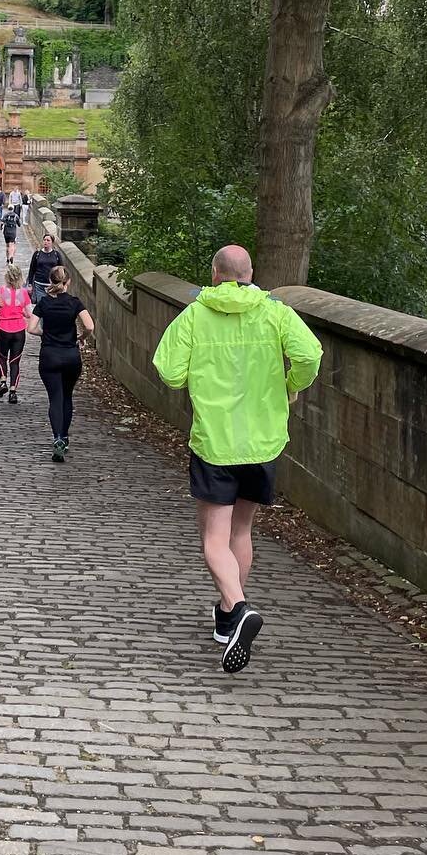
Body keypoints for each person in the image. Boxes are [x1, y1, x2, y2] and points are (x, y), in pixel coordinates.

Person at [152, 244, 323, 674]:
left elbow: (169, 371)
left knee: (214, 536)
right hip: (263, 440)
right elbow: (310, 355)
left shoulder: (195, 315)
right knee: (242, 531)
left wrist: (198, 379)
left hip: (215, 441)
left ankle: (239, 606)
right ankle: (229, 615)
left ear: (215, 274)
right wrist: (290, 385)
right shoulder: (275, 312)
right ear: (250, 273)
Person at [29, 264, 94, 464]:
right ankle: (64, 438)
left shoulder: (44, 302)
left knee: (55, 398)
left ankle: (57, 436)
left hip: (49, 355)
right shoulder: (74, 302)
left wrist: (45, 333)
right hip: (71, 356)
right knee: (67, 397)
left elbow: (31, 328)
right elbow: (90, 326)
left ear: (50, 281)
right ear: (68, 282)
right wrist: (80, 337)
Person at [0, 265, 32, 404]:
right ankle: (13, 391)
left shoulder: (1, 291)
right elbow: (29, 313)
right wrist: (20, 312)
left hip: (4, 328)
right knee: (15, 361)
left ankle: (3, 380)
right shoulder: (23, 293)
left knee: (1, 356)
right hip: (19, 330)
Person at [27, 230, 62, 301]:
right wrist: (30, 284)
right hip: (39, 284)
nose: (46, 242)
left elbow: (61, 270)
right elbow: (32, 269)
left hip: (52, 286)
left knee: (52, 306)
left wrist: (61, 283)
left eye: (48, 240)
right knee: (41, 305)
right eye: (44, 240)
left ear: (52, 242)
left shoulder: (56, 255)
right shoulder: (37, 254)